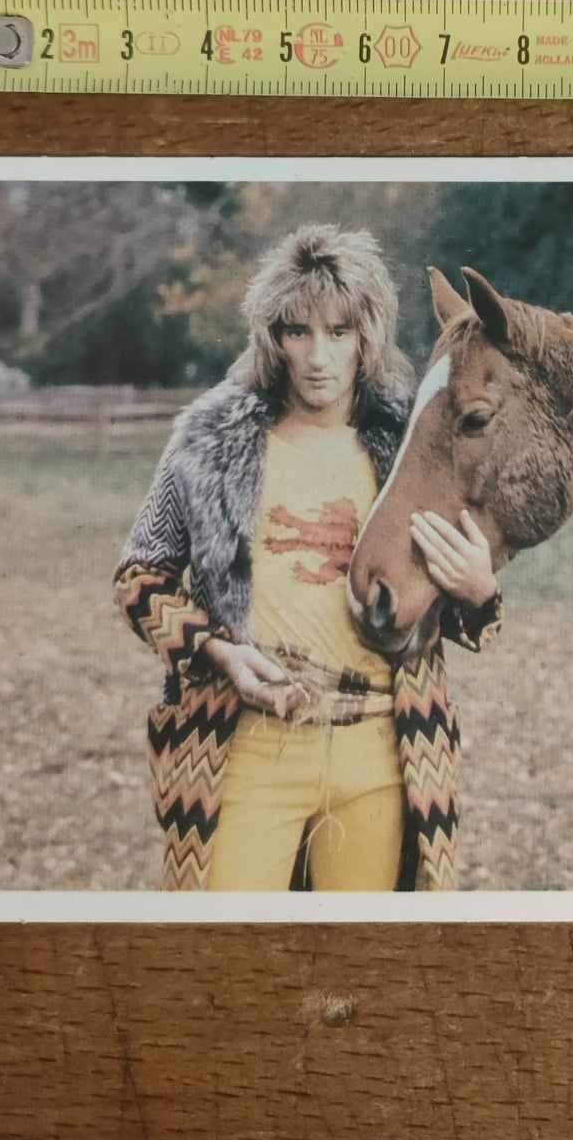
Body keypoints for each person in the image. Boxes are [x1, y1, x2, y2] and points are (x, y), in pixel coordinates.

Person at [113, 223, 501, 891]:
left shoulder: (411, 449)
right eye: (298, 331)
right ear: (273, 338)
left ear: (367, 338)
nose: (318, 356)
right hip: (246, 745)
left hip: (383, 752)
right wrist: (217, 651)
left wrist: (478, 591)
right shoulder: (211, 443)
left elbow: (455, 607)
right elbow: (139, 576)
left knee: (363, 947)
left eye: (339, 332)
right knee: (225, 945)